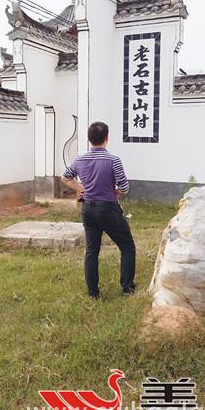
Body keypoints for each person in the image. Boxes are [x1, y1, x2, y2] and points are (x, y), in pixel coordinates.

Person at [62, 121, 136, 299]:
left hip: (88, 208)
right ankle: (127, 288)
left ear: (89, 139)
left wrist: (81, 188)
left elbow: (65, 177)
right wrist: (114, 191)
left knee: (91, 251)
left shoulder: (80, 159)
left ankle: (93, 293)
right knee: (127, 247)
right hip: (108, 209)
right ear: (106, 138)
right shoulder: (113, 160)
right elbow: (124, 188)